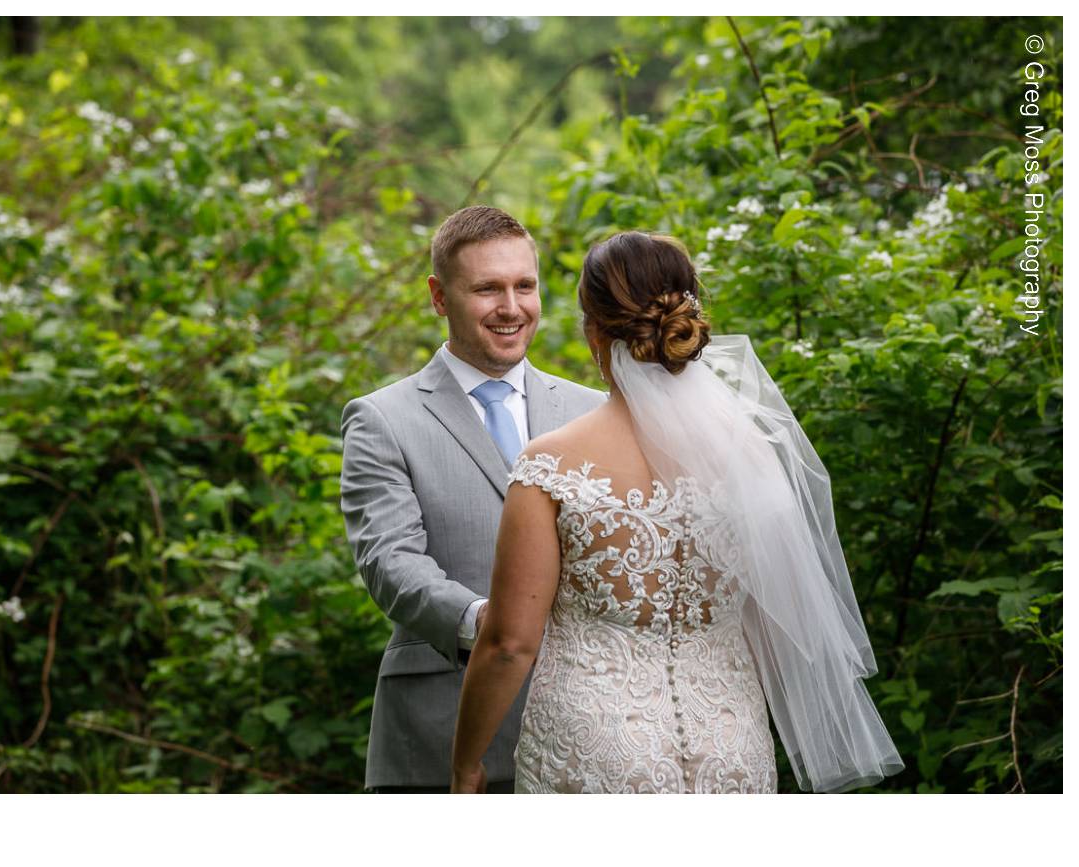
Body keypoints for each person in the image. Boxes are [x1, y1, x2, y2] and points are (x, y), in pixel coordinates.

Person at [451, 230, 905, 794]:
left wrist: (466, 764)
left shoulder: (551, 464)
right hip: (730, 744)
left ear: (594, 333)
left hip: (596, 747)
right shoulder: (749, 455)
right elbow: (778, 620)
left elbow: (509, 644)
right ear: (686, 326)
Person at [340, 205, 606, 793]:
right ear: (439, 296)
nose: (511, 308)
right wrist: (487, 622)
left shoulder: (596, 411)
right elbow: (389, 563)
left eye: (524, 286)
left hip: (586, 734)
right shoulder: (382, 419)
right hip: (442, 731)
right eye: (487, 289)